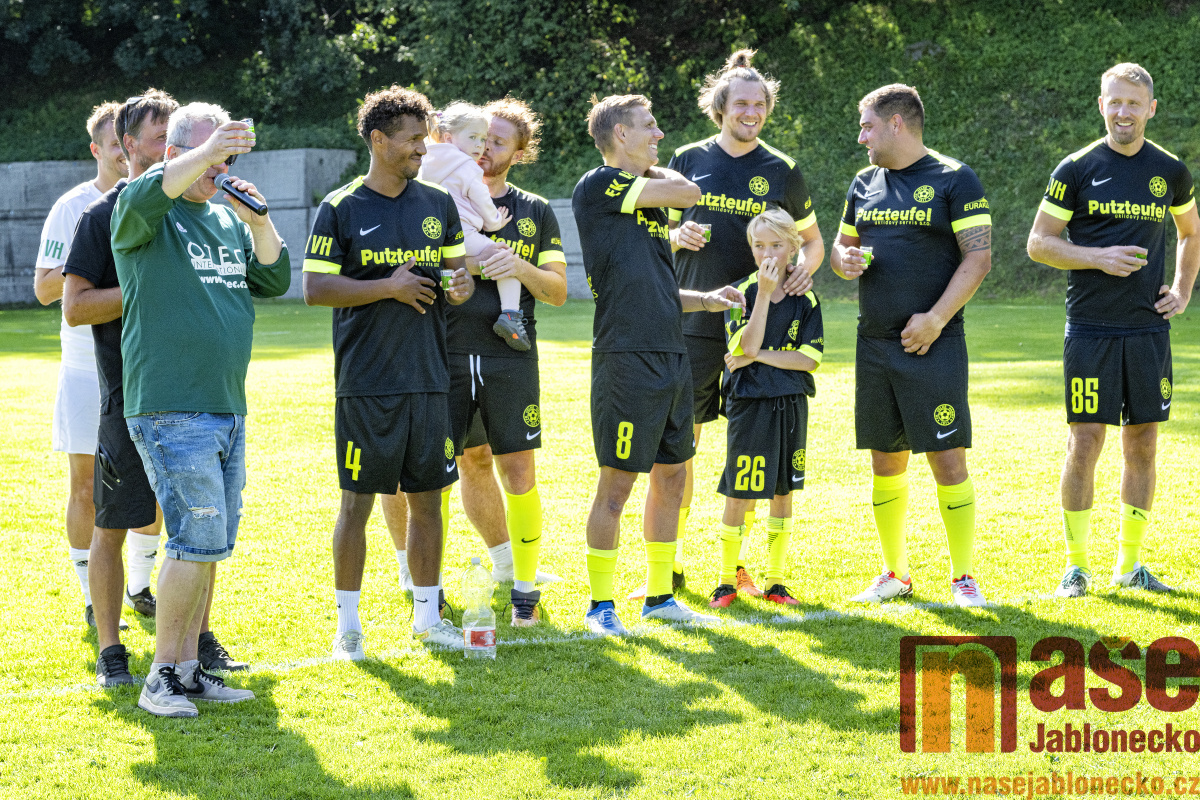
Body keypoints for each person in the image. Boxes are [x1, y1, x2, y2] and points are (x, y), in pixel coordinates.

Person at [113, 102, 289, 716]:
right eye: (213, 156)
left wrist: (258, 220)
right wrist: (207, 153)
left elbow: (274, 278)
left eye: (228, 158)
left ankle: (188, 669)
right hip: (171, 405)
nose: (222, 168)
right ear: (176, 154)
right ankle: (160, 677)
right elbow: (147, 194)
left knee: (208, 543)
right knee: (194, 538)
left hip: (225, 405)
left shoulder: (225, 219)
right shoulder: (143, 206)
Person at [639, 49, 823, 600]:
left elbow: (812, 242)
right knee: (682, 445)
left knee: (752, 446)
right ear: (720, 108)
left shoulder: (782, 169)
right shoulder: (687, 157)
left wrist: (804, 271)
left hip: (758, 327)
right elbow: (650, 233)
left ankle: (739, 566)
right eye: (741, 103)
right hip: (695, 322)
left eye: (760, 104)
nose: (752, 112)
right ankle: (671, 561)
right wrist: (675, 236)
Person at [303, 86, 473, 661]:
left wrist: (460, 286)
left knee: (429, 501)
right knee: (356, 504)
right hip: (367, 381)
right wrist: (388, 287)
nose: (423, 149)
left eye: (425, 139)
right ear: (379, 140)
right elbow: (315, 288)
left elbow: (454, 277)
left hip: (429, 376)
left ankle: (428, 617)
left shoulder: (438, 204)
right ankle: (348, 627)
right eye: (413, 139)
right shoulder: (341, 207)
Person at [572, 94, 742, 635]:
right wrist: (652, 169)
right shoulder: (600, 184)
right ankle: (600, 606)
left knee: (672, 475)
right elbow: (689, 192)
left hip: (672, 354)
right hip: (626, 357)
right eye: (648, 126)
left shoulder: (644, 208)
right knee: (617, 485)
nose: (659, 134)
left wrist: (705, 300)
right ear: (619, 134)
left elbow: (655, 288)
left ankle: (659, 597)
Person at [1027, 63, 1199, 597]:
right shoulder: (1075, 168)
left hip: (1148, 330)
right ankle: (1076, 566)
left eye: (1134, 103)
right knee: (1085, 441)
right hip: (1090, 329)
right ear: (1101, 105)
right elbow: (1039, 243)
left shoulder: (1170, 171)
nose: (1123, 112)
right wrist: (1097, 256)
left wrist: (1182, 289)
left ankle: (1130, 565)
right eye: (1115, 102)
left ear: (1151, 109)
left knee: (1142, 443)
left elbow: (1190, 232)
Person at [832, 84, 992, 608]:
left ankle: (963, 577)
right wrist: (843, 260)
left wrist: (936, 319)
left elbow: (979, 258)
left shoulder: (954, 178)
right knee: (885, 461)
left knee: (947, 459)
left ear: (896, 123)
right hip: (874, 344)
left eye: (867, 126)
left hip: (933, 344)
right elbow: (841, 249)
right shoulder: (863, 183)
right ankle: (895, 573)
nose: (861, 138)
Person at [62, 90, 177, 686]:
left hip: (196, 396)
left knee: (194, 527)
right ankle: (111, 649)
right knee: (112, 523)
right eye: (159, 139)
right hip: (128, 397)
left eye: (176, 139)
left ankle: (194, 643)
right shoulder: (100, 215)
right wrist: (141, 293)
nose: (171, 150)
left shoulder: (195, 210)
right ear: (128, 145)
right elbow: (75, 307)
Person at [34, 102, 162, 627]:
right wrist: (93, 260)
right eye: (112, 146)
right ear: (100, 150)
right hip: (88, 369)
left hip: (145, 364)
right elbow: (46, 289)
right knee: (87, 485)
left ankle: (140, 585)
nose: (122, 154)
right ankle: (92, 594)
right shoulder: (76, 208)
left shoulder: (161, 200)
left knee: (155, 480)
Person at [709, 209, 822, 609]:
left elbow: (808, 359)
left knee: (782, 490)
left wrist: (757, 357)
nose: (767, 253)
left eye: (776, 245)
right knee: (739, 491)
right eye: (759, 245)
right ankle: (726, 581)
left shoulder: (806, 297)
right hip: (749, 404)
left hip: (790, 403)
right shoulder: (739, 293)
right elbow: (748, 343)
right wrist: (763, 293)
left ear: (793, 247)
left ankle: (776, 581)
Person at [418, 102, 527, 349]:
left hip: (430, 235)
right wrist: (496, 221)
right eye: (473, 137)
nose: (481, 145)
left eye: (483, 138)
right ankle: (511, 315)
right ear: (449, 137)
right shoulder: (467, 166)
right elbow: (482, 201)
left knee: (449, 270)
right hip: (461, 233)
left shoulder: (425, 158)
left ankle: (444, 302)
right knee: (506, 259)